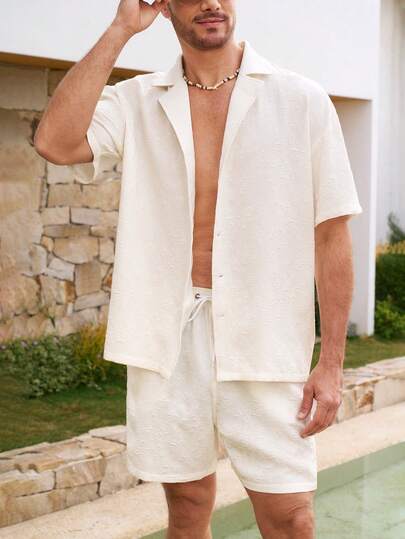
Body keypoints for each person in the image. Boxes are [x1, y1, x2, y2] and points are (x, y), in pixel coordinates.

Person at [34, 1, 363, 537]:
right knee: (186, 506)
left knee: (291, 516)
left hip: (265, 336)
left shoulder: (300, 99)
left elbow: (331, 235)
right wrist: (121, 28)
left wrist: (332, 363)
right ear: (164, 7)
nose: (210, 2)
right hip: (168, 338)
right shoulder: (138, 100)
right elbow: (55, 142)